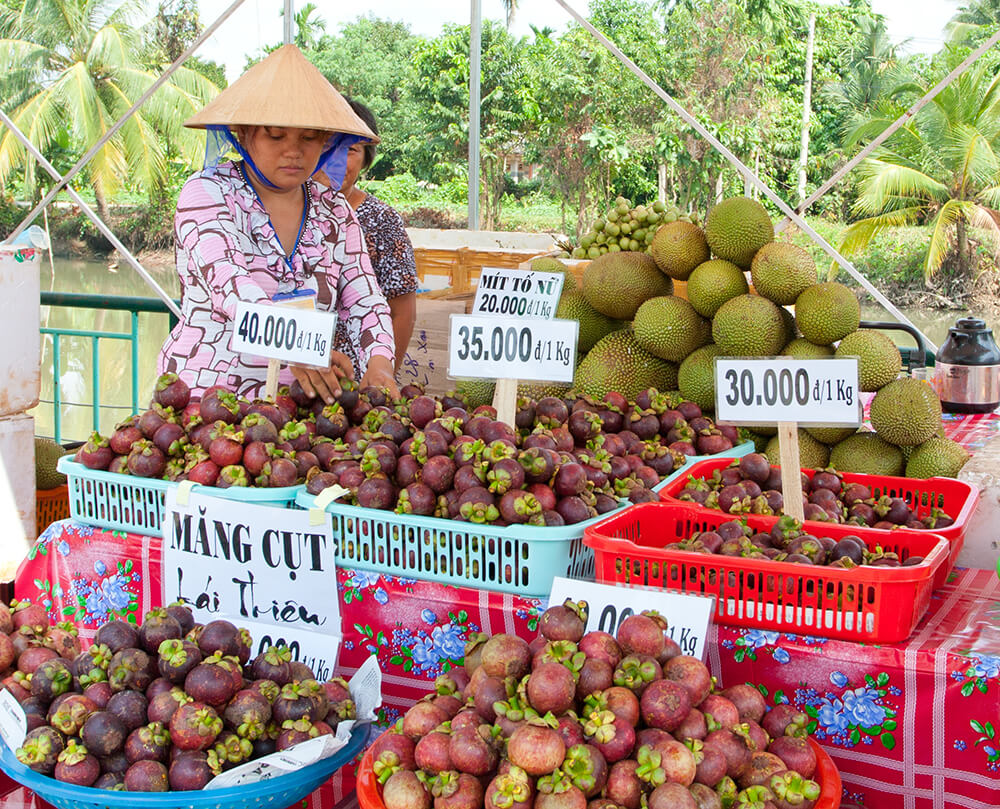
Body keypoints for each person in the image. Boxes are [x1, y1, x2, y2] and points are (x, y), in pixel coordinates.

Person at [157, 44, 398, 403]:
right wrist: (298, 345)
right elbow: (231, 287)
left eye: (309, 137)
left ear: (326, 141)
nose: (294, 151)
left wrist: (379, 364)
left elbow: (365, 300)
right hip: (205, 401)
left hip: (303, 408)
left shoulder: (334, 210)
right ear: (243, 133)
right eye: (275, 135)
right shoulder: (206, 193)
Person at [327, 100, 418, 375]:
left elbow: (402, 311)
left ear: (367, 158)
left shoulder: (381, 220)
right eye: (327, 148)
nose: (337, 160)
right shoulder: (292, 213)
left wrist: (381, 372)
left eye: (351, 150)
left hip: (358, 381)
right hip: (293, 374)